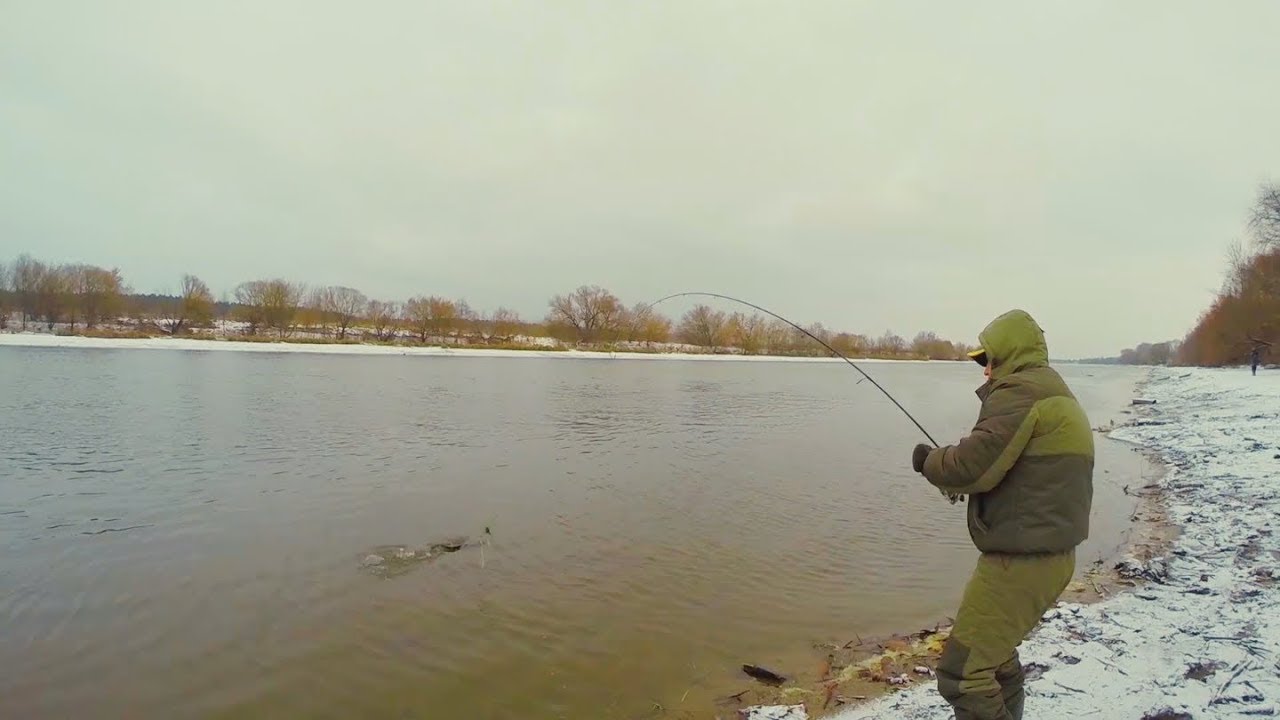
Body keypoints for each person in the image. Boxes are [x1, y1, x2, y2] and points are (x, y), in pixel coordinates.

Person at [909, 309, 1094, 720]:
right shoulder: (1051, 390)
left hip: (1022, 562)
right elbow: (1014, 472)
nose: (985, 371)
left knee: (963, 676)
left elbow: (972, 466)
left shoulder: (1021, 392)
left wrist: (928, 461)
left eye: (987, 359)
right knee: (995, 660)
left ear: (1008, 354)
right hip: (1045, 556)